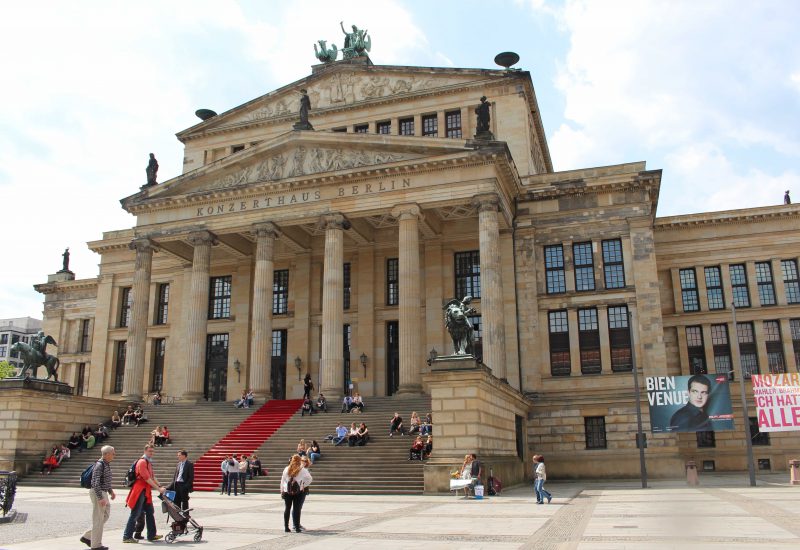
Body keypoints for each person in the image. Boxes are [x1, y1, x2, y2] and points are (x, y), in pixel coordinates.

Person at [122, 444, 165, 543]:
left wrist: (161, 485)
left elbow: (153, 477)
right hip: (140, 490)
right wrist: (158, 489)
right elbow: (147, 478)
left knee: (150, 512)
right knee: (135, 513)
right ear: (145, 451)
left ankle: (152, 535)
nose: (151, 453)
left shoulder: (148, 462)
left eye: (152, 451)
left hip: (145, 492)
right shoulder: (142, 462)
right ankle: (127, 536)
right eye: (150, 451)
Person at [80, 445, 116, 550]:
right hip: (98, 493)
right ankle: (96, 545)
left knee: (104, 516)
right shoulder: (100, 465)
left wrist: (111, 491)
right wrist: (100, 497)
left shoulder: (106, 464)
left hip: (103, 492)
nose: (114, 455)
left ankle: (87, 536)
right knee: (98, 519)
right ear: (106, 454)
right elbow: (95, 482)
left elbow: (105, 480)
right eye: (113, 453)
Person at [280, 454, 313, 533]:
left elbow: (283, 480)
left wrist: (282, 490)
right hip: (298, 491)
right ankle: (297, 527)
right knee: (297, 509)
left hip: (287, 491)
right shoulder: (302, 470)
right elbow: (310, 479)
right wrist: (302, 485)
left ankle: (286, 527)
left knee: (287, 508)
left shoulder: (286, 469)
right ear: (299, 461)